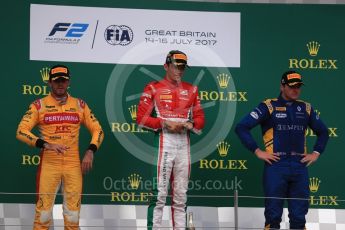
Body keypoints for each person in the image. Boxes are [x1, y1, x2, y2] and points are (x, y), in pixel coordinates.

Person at [235, 70, 329, 230]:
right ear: (282, 86)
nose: (296, 90)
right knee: (273, 219)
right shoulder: (268, 106)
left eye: (298, 86)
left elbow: (324, 132)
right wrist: (257, 151)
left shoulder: (306, 108)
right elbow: (242, 127)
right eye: (292, 86)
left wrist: (316, 153)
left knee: (299, 219)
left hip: (299, 166)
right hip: (276, 166)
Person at [16, 65, 104, 230]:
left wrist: (91, 150)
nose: (60, 84)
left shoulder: (80, 105)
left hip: (72, 165)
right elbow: (21, 131)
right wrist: (46, 144)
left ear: (69, 81)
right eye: (56, 81)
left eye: (63, 80)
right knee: (43, 216)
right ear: (49, 83)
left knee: (73, 215)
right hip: (49, 165)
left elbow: (98, 130)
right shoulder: (39, 105)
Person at [137, 50, 205, 229]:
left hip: (184, 144)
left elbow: (200, 120)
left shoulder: (192, 89)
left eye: (182, 67)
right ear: (166, 66)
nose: (180, 71)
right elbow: (141, 119)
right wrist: (165, 124)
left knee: (181, 196)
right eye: (176, 66)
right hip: (164, 142)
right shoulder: (152, 87)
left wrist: (189, 125)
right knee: (159, 195)